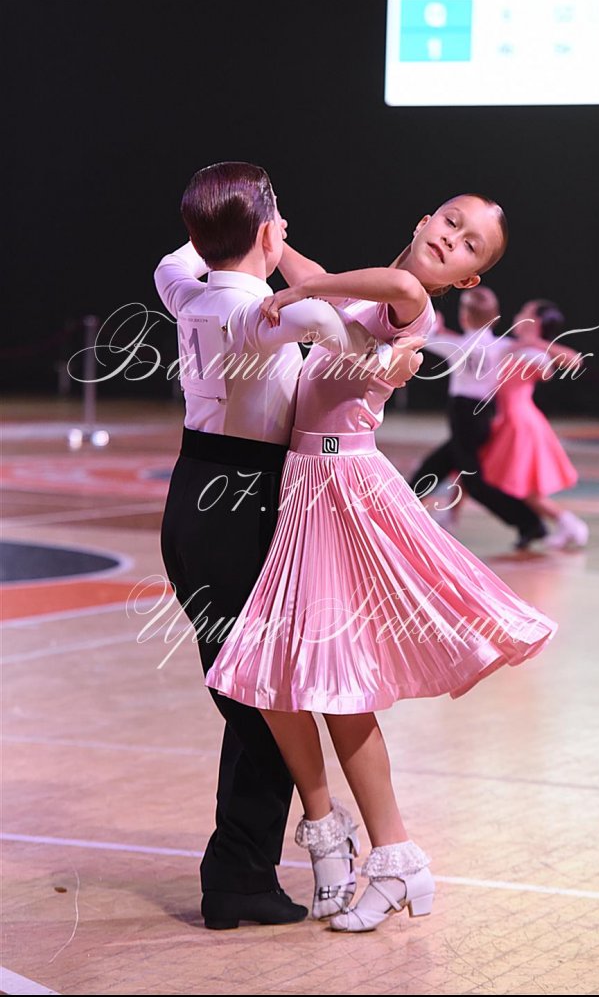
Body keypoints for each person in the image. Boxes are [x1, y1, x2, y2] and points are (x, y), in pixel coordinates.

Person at [204, 194, 559, 932]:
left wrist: (299, 292)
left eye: (471, 246)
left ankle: (395, 855)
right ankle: (327, 828)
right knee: (273, 676)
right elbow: (317, 273)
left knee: (338, 683)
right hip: (307, 487)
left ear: (466, 280)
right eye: (451, 222)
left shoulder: (408, 305)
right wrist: (273, 236)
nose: (453, 239)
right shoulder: (362, 298)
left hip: (345, 491)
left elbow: (378, 284)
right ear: (423, 219)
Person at [155, 161, 424, 930]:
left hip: (190, 500)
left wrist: (224, 222)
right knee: (264, 693)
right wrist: (392, 365)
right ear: (271, 234)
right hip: (246, 502)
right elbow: (339, 338)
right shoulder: (267, 313)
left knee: (253, 688)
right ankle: (261, 863)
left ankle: (250, 868)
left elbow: (173, 258)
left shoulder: (185, 289)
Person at [409, 286, 549, 549]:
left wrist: (432, 326)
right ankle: (404, 508)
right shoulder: (502, 347)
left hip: (464, 419)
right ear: (495, 317)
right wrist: (531, 345)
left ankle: (530, 523)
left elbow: (425, 338)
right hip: (482, 418)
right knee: (436, 466)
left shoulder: (459, 346)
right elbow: (543, 362)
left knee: (474, 483)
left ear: (464, 316)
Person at [478, 299, 589, 548]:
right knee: (476, 470)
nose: (517, 315)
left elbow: (571, 362)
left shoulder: (533, 352)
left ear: (535, 321)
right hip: (509, 421)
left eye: (524, 312)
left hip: (521, 424)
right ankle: (565, 524)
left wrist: (534, 343)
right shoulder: (512, 346)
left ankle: (569, 523)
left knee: (520, 486)